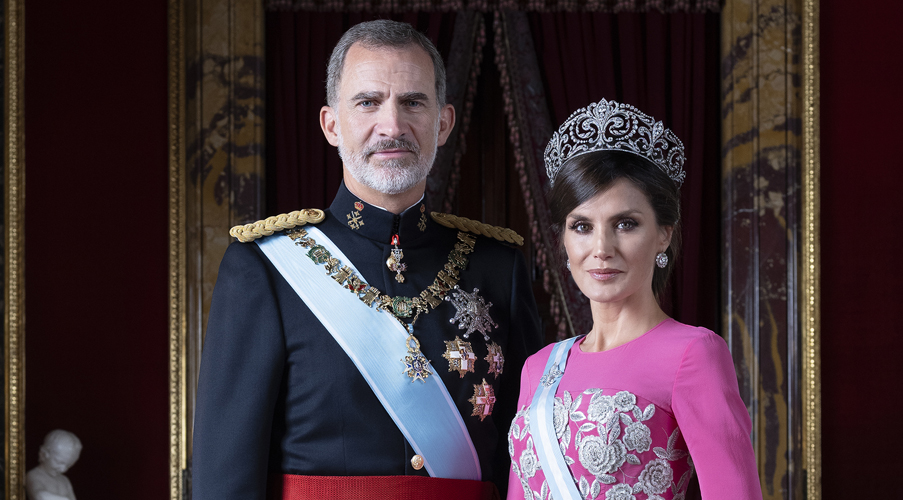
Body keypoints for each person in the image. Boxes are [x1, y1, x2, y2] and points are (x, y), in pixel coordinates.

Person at [192, 20, 542, 500]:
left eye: (412, 102)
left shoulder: (498, 267)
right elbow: (224, 479)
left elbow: (524, 458)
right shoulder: (266, 267)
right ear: (331, 124)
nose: (392, 126)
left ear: (443, 123)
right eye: (368, 102)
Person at [507, 100, 762, 500]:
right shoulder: (537, 369)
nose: (602, 248)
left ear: (663, 234)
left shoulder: (693, 354)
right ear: (563, 239)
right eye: (582, 226)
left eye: (625, 224)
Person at [26, 429, 81, 500]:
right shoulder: (34, 475)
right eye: (59, 462)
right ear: (44, 454)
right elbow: (39, 496)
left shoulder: (65, 480)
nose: (63, 469)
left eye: (68, 465)